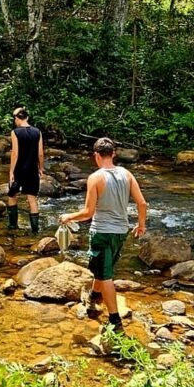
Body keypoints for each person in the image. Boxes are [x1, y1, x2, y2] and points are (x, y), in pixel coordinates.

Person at [60, 137, 147, 330]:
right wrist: (141, 225)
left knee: (106, 275)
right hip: (121, 232)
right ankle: (94, 296)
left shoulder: (95, 178)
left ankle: (115, 320)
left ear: (96, 155)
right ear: (113, 154)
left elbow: (88, 212)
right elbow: (142, 203)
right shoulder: (126, 174)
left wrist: (68, 217)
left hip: (101, 232)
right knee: (103, 269)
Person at [7, 107, 44, 234]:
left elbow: (15, 154)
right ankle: (35, 231)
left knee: (12, 195)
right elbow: (40, 153)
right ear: (27, 118)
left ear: (17, 119)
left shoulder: (15, 132)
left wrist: (11, 171)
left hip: (19, 170)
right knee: (32, 199)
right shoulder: (37, 132)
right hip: (32, 170)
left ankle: (13, 227)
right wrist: (41, 168)